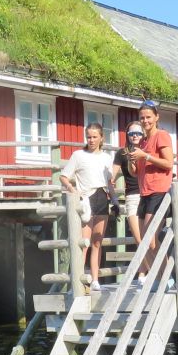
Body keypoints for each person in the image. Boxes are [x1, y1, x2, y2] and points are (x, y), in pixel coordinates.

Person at [59, 122, 118, 291]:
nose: (91, 140)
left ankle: (94, 279)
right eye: (89, 137)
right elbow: (64, 176)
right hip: (86, 199)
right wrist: (72, 189)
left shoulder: (107, 158)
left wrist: (115, 201)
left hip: (102, 198)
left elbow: (109, 183)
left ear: (101, 138)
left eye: (94, 137)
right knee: (84, 243)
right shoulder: (78, 155)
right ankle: (78, 281)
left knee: (97, 243)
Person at [131, 100, 174, 276]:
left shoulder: (161, 135)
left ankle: (166, 277)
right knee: (144, 241)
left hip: (159, 191)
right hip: (144, 192)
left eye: (148, 117)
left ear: (156, 117)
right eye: (142, 118)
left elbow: (168, 163)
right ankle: (159, 277)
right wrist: (131, 161)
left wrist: (146, 156)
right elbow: (135, 173)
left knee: (151, 240)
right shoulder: (142, 142)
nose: (145, 120)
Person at [112, 122, 144, 247]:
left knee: (151, 240)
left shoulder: (148, 150)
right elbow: (112, 176)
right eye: (131, 133)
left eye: (138, 133)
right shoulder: (122, 153)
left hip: (148, 196)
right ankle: (147, 267)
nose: (135, 136)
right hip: (132, 196)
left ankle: (157, 266)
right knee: (139, 240)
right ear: (127, 135)